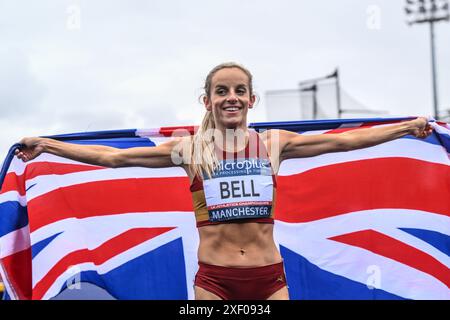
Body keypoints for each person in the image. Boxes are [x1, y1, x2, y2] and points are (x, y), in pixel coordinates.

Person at [15, 62, 433, 300]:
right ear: (208, 100)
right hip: (214, 281)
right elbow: (112, 157)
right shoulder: (189, 149)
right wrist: (50, 145)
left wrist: (403, 129)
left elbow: (346, 143)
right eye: (221, 91)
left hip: (270, 279)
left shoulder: (273, 144)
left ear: (251, 99)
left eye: (238, 90)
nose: (230, 97)